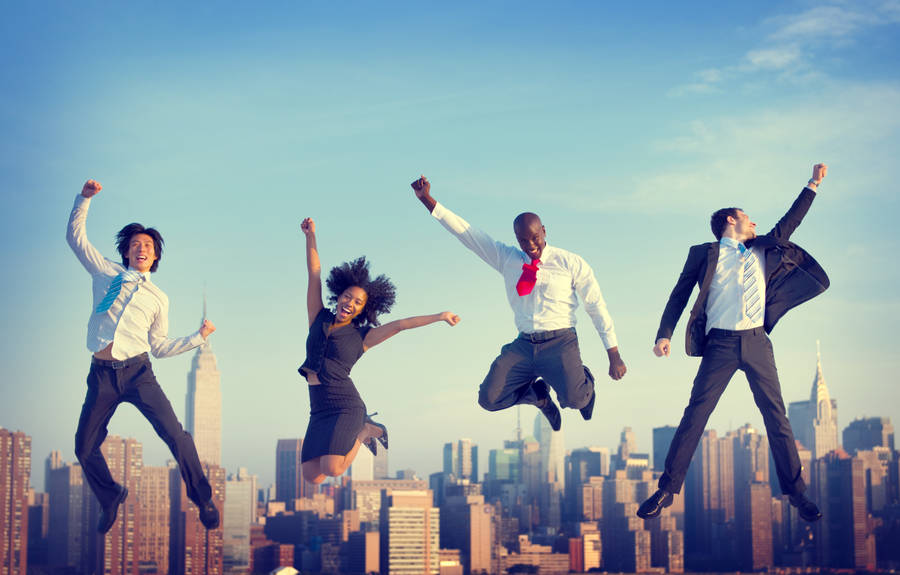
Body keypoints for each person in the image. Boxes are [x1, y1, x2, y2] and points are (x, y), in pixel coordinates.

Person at [637, 164, 830, 522]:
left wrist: (813, 184)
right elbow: (679, 296)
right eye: (748, 218)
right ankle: (665, 491)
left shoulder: (764, 248)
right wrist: (664, 334)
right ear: (730, 220)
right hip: (720, 346)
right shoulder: (703, 254)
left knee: (777, 417)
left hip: (757, 342)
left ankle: (798, 495)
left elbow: (792, 221)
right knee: (695, 415)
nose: (755, 223)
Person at [410, 176, 626, 431]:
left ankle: (583, 379)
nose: (531, 245)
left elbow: (595, 306)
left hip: (561, 342)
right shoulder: (507, 258)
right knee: (488, 399)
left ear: (544, 231)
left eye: (535, 237)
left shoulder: (570, 262)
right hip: (524, 345)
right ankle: (538, 397)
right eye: (524, 240)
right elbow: (467, 233)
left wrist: (613, 354)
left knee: (576, 400)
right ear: (516, 238)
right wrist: (427, 201)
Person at [67, 179, 220, 534]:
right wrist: (84, 200)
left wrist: (199, 337)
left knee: (176, 435)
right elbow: (76, 239)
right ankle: (111, 496)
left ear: (155, 255)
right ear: (126, 252)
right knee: (83, 445)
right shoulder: (105, 272)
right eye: (135, 244)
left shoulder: (159, 299)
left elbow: (161, 346)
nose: (141, 249)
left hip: (138, 372)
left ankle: (203, 499)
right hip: (102, 375)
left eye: (148, 246)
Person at [298, 217, 460, 484]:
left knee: (334, 468)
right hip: (318, 406)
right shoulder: (317, 317)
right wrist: (310, 236)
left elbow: (400, 325)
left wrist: (440, 316)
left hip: (345, 405)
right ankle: (364, 430)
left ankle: (364, 431)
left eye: (358, 302)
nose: (350, 303)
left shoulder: (362, 337)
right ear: (338, 296)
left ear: (364, 310)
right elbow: (314, 272)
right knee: (312, 477)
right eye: (347, 296)